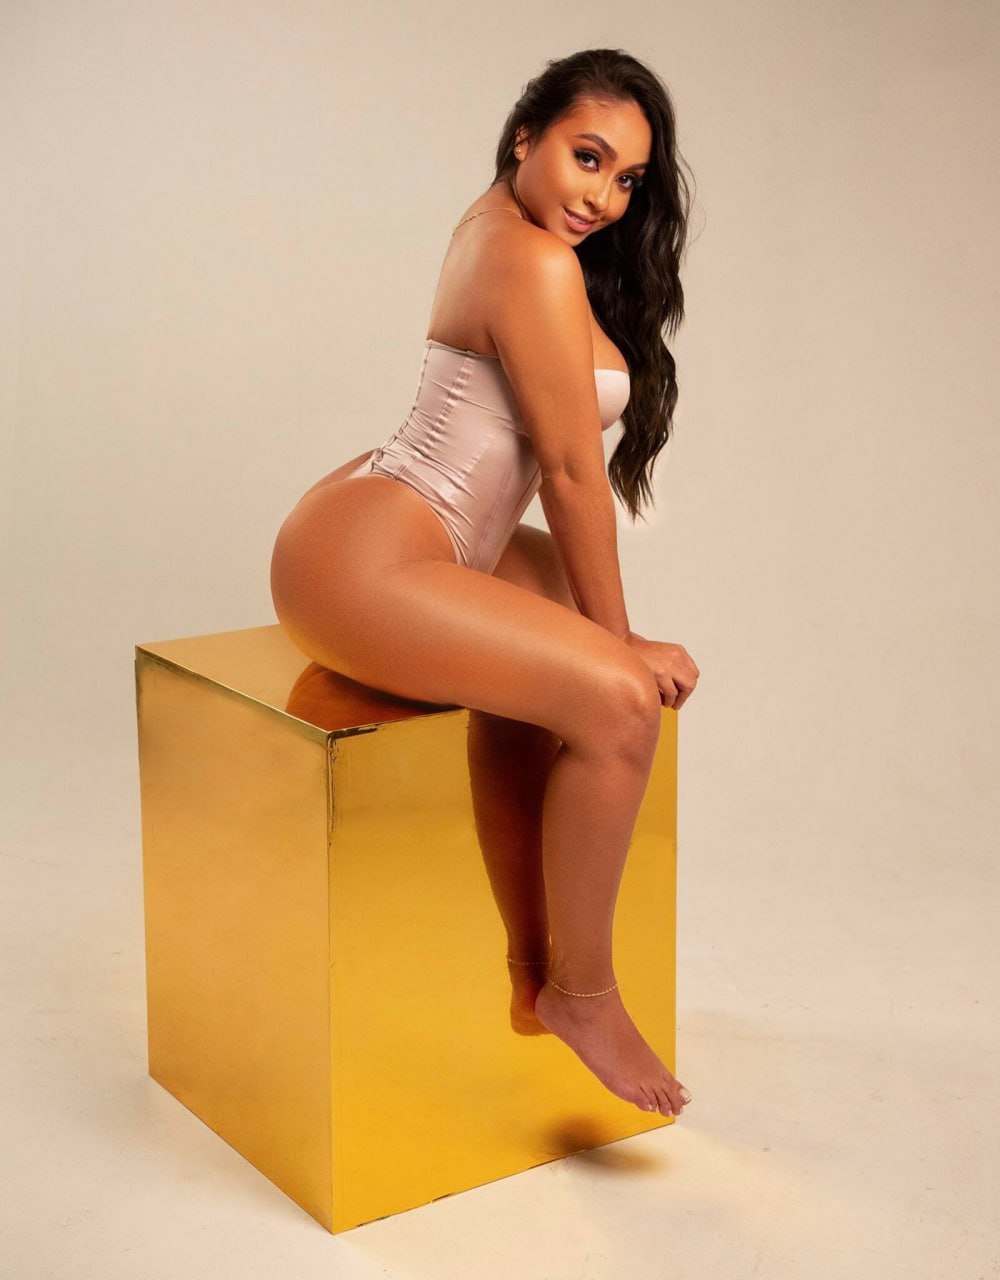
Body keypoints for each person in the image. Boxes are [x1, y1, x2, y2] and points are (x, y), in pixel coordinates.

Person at [270, 48, 700, 1119]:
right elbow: (568, 472)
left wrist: (606, 633)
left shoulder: (514, 231)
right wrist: (623, 642)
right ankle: (581, 992)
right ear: (525, 137)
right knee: (616, 697)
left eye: (627, 179)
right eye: (586, 158)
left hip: (436, 528)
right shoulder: (527, 258)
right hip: (365, 552)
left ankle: (529, 969)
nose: (603, 197)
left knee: (565, 674)